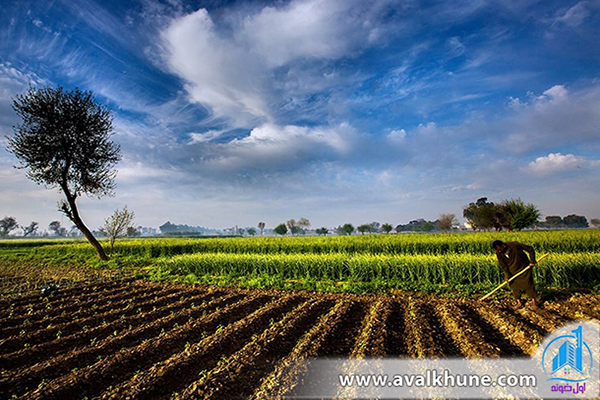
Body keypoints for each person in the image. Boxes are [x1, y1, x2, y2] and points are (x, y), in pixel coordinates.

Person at [492, 240, 541, 310]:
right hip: (512, 271)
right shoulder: (499, 253)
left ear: (503, 245)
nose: (499, 251)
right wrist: (507, 276)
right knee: (514, 286)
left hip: (524, 267)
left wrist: (532, 261)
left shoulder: (514, 245)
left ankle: (534, 303)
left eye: (500, 249)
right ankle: (519, 303)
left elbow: (530, 249)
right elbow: (504, 266)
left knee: (528, 285)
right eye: (498, 250)